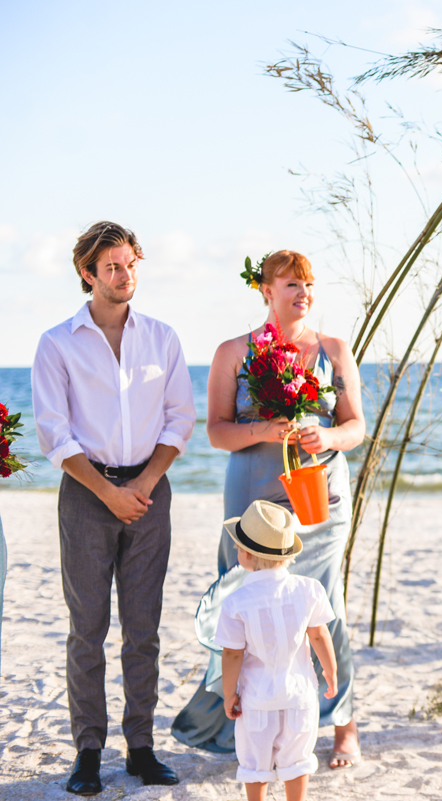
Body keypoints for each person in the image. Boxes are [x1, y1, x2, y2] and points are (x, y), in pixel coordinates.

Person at [172, 250, 366, 768]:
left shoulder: (333, 350)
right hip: (252, 495)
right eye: (290, 284)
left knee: (326, 607)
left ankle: (342, 725)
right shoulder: (232, 352)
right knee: (244, 604)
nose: (303, 293)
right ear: (265, 290)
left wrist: (325, 433)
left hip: (318, 493)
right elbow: (215, 430)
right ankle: (244, 718)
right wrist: (263, 429)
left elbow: (356, 427)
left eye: (308, 285)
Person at [31, 221, 195, 794]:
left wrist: (145, 484)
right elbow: (54, 433)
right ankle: (87, 751)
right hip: (85, 494)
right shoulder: (57, 343)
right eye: (112, 267)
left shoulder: (163, 338)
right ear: (87, 274)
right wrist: (108, 492)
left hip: (151, 491)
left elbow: (180, 420)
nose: (124, 276)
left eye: (129, 264)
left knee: (143, 628)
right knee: (87, 627)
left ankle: (142, 748)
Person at [217, 500, 338, 801]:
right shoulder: (310, 590)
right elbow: (320, 636)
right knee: (297, 762)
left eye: (237, 548)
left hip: (257, 699)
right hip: (300, 696)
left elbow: (232, 654)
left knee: (255, 763)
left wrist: (229, 692)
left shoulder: (236, 602)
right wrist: (331, 672)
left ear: (246, 555)